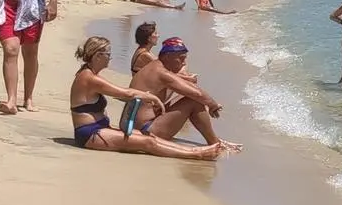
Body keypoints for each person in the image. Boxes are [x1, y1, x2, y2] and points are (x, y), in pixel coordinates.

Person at [68, 37, 230, 159]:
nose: (110, 59)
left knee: (149, 138)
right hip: (90, 134)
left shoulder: (89, 74)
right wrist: (148, 96)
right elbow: (126, 93)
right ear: (97, 56)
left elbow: (122, 94)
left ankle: (200, 149)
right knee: (148, 143)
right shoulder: (89, 78)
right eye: (108, 55)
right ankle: (198, 153)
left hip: (101, 129)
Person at [128, 38, 241, 150]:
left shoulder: (155, 67)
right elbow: (197, 94)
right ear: (167, 57)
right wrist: (213, 105)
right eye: (181, 59)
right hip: (145, 130)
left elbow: (186, 86)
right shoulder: (161, 73)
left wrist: (187, 80)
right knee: (194, 100)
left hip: (134, 125)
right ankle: (215, 142)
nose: (184, 63)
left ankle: (214, 140)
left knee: (187, 96)